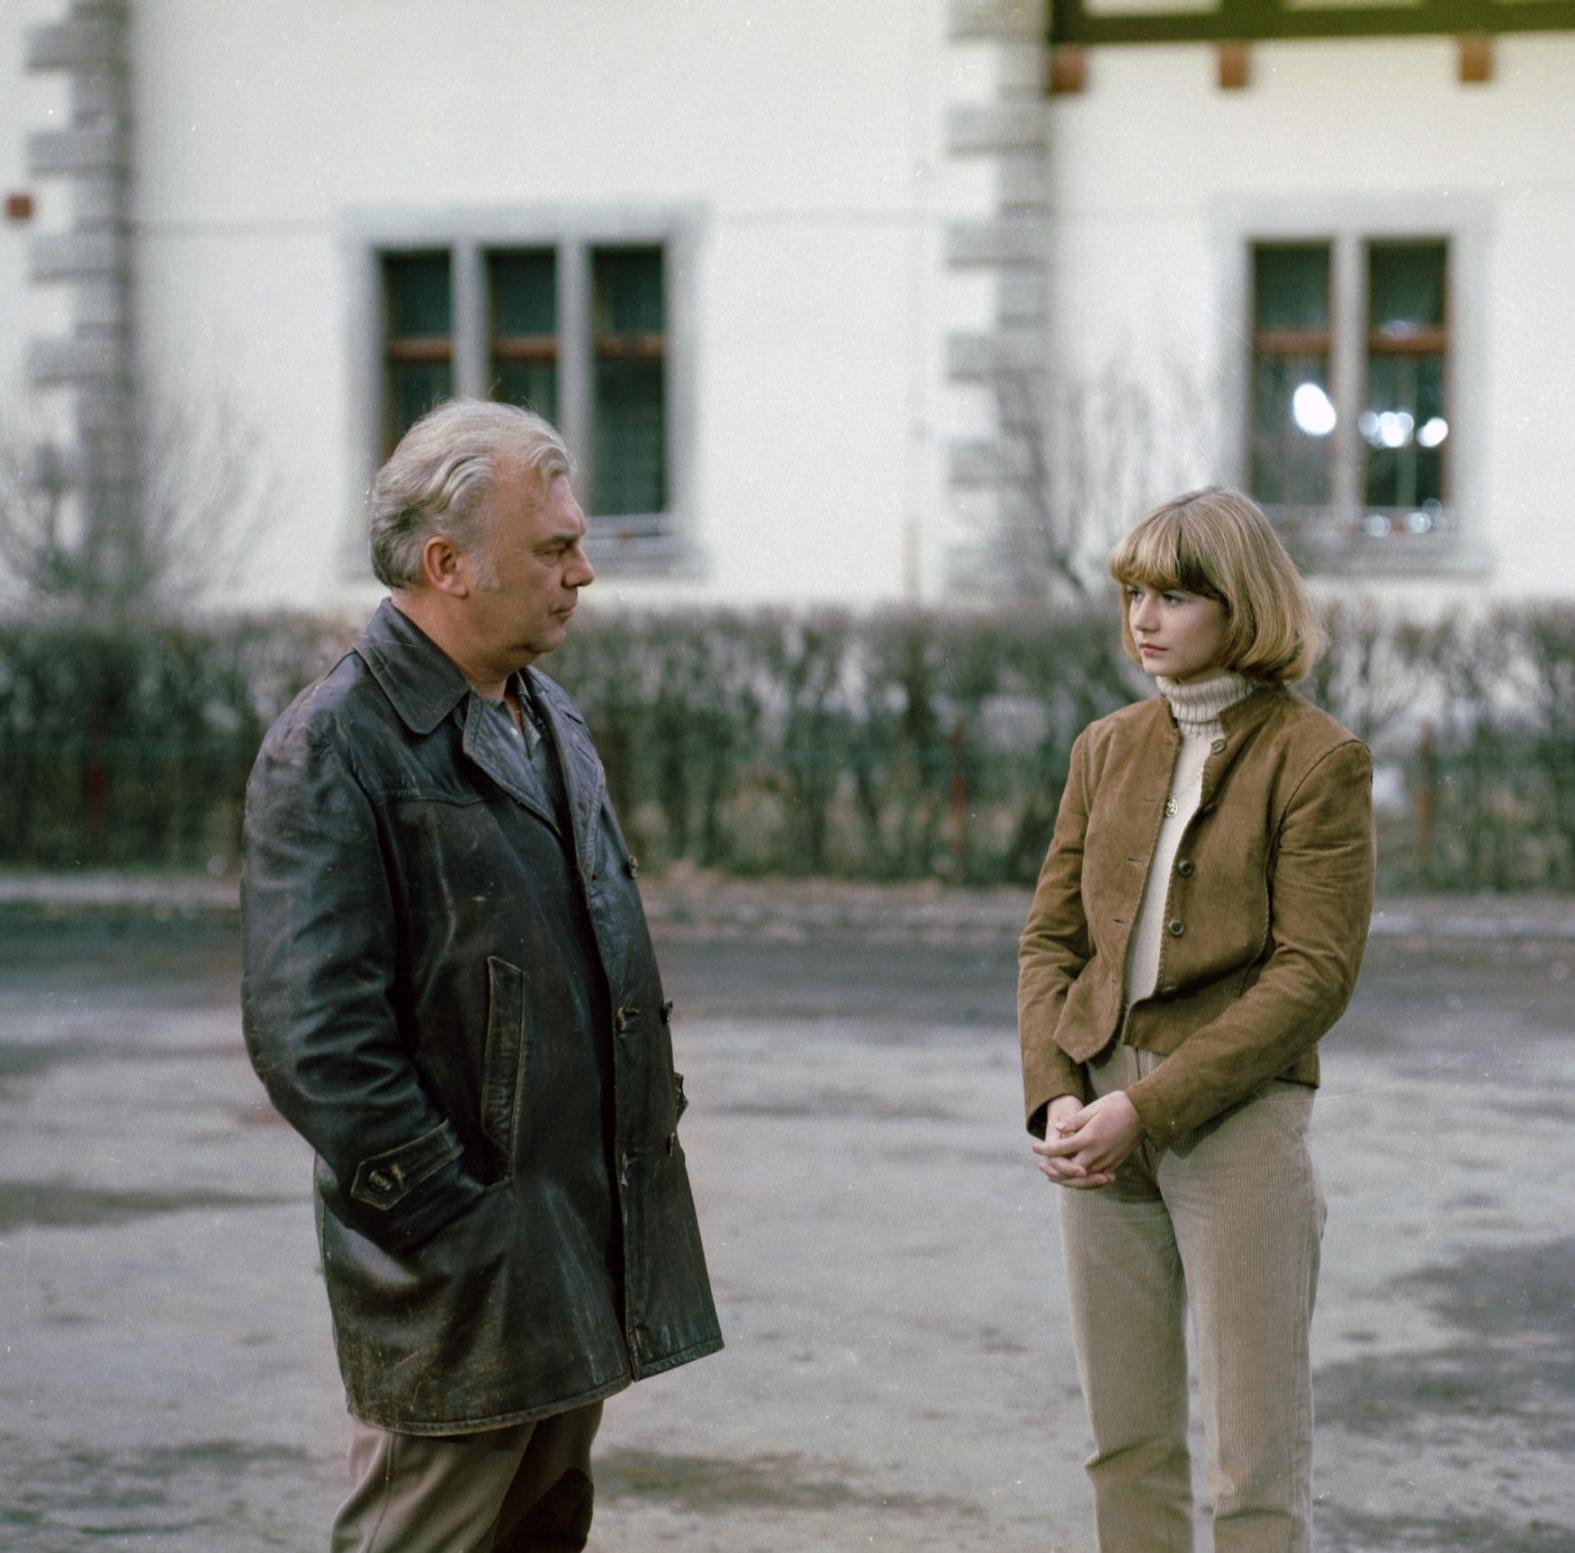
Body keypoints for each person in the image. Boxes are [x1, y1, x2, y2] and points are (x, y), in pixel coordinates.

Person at [241, 398, 722, 1552]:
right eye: (553, 548)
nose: (583, 573)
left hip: (570, 1232)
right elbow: (314, 1034)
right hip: (467, 1260)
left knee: (541, 1529)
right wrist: (448, 1216)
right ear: (447, 562)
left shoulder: (544, 713)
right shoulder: (337, 742)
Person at [1017, 486, 1374, 1553]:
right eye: (1132, 592)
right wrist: (1056, 1096)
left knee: (1253, 1462)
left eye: (1174, 595)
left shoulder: (1317, 758)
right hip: (1095, 1114)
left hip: (1236, 1117)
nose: (1143, 617)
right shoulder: (1104, 747)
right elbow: (1050, 943)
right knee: (1124, 1442)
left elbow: (1312, 974)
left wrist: (1150, 1104)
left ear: (1241, 603)